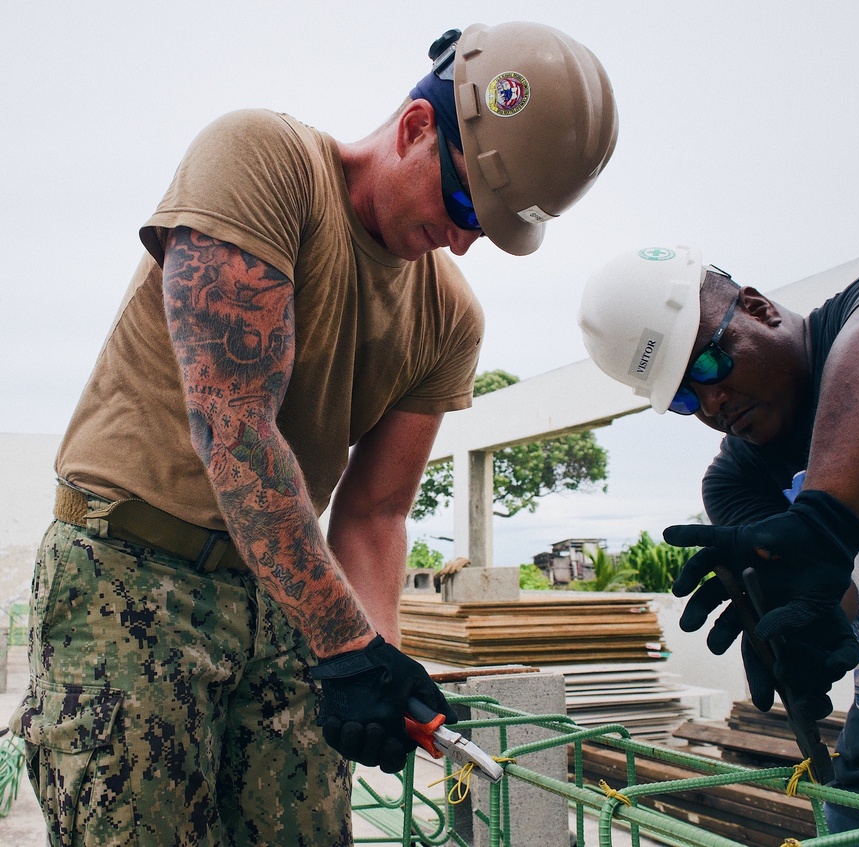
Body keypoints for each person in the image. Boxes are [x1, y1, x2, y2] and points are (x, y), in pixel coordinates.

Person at [9, 22, 618, 847]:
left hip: (286, 601)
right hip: (129, 578)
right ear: (413, 129)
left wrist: (381, 667)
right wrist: (344, 640)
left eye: (495, 230)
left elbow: (373, 515)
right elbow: (234, 428)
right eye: (469, 204)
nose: (469, 239)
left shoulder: (449, 317)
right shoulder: (260, 160)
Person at [578, 245, 859, 845]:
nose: (711, 404)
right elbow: (824, 592)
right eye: (683, 399)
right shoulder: (736, 480)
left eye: (705, 365)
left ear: (756, 309)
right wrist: (799, 627)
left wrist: (825, 520)